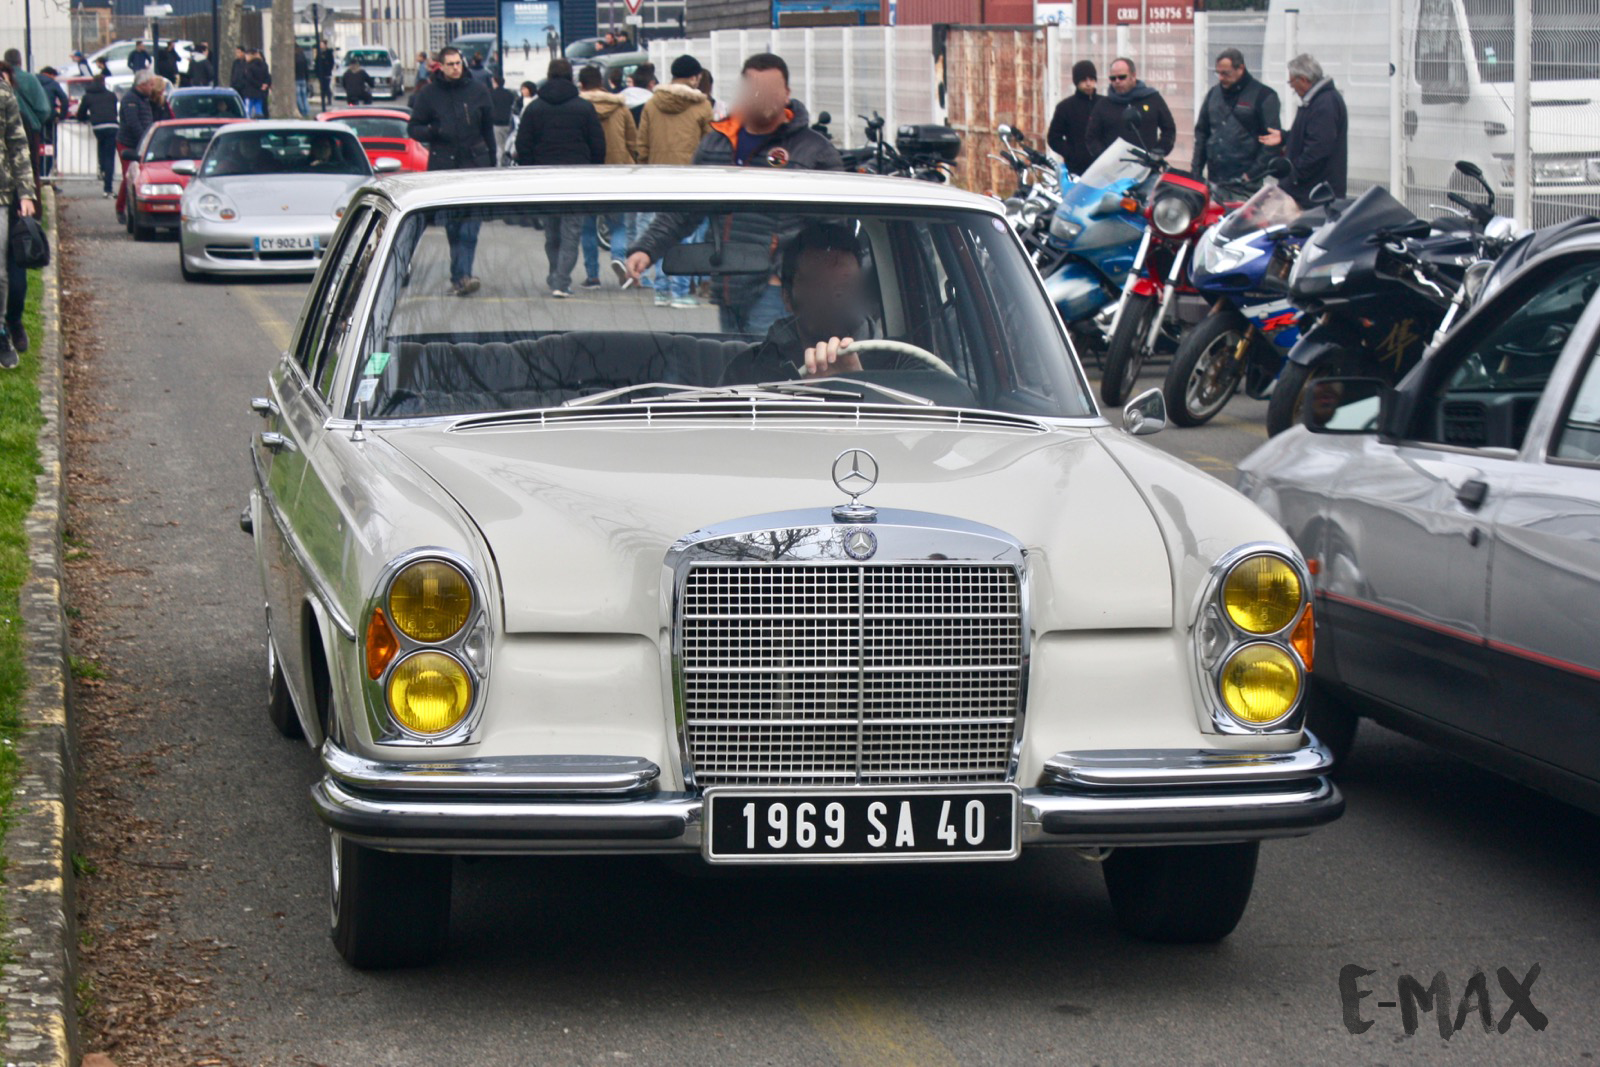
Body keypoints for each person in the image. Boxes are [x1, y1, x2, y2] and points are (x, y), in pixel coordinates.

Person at [625, 52, 843, 335]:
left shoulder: (813, 150)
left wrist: (792, 276)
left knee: (769, 372)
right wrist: (646, 249)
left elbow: (835, 229)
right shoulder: (716, 145)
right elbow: (685, 208)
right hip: (727, 285)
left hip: (777, 291)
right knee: (734, 367)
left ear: (787, 93)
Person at [719, 222, 912, 383]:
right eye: (818, 286)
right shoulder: (750, 371)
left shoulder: (898, 364)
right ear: (787, 298)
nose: (834, 299)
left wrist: (858, 384)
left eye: (845, 286)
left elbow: (919, 424)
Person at [407, 46, 496, 295]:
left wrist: (492, 166)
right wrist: (433, 131)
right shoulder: (429, 94)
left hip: (475, 165)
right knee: (454, 228)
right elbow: (413, 128)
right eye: (450, 64)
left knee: (470, 228)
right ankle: (459, 276)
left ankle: (464, 277)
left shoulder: (478, 91)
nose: (455, 68)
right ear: (441, 67)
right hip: (445, 167)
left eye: (458, 63)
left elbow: (488, 129)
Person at [513, 57, 604, 297]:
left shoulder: (534, 108)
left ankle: (555, 274)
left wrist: (530, 171)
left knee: (551, 231)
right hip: (577, 177)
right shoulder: (584, 107)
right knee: (571, 232)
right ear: (570, 78)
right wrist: (594, 169)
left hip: (544, 177)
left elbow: (523, 144)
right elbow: (597, 144)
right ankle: (562, 281)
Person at [636, 54, 713, 307]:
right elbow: (710, 145)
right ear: (694, 77)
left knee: (660, 231)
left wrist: (645, 168)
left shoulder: (652, 104)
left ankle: (660, 290)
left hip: (658, 176)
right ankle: (680, 292)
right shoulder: (702, 106)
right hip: (691, 177)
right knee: (685, 236)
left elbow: (642, 143)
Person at [575, 64, 637, 290]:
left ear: (581, 85)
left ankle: (592, 276)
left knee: (588, 226)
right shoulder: (620, 108)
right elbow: (633, 140)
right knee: (618, 224)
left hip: (587, 172)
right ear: (601, 83)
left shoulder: (578, 108)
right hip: (617, 172)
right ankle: (618, 258)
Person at [1191, 47, 1281, 198]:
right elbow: (1201, 134)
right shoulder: (1214, 94)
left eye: (1225, 73)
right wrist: (1195, 172)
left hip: (1246, 185)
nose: (1220, 77)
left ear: (1240, 69)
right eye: (1218, 73)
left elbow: (1271, 143)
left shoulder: (1264, 96)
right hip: (1215, 180)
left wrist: (1251, 174)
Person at [1264, 53, 1349, 205]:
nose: (1292, 89)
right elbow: (1311, 136)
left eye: (1292, 84)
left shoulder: (1324, 104)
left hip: (1315, 195)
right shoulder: (1317, 100)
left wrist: (1293, 177)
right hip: (1311, 191)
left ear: (1303, 80)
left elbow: (1318, 149)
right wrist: (1285, 137)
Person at [0, 59, 40, 368]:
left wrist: (26, 192)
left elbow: (18, 144)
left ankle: (1, 330)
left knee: (2, 273)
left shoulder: (4, 94)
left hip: (2, 194)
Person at [1084, 56, 1175, 159]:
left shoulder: (1152, 99)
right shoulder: (1103, 105)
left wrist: (1159, 151)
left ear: (1133, 76)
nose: (1117, 81)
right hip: (1115, 169)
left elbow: (1169, 130)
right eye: (1113, 78)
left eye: (1122, 77)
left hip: (1147, 167)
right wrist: (1105, 156)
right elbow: (1091, 138)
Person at [115, 71, 167, 222]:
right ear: (142, 85)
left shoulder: (143, 99)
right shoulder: (130, 100)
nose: (152, 88)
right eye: (150, 85)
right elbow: (133, 123)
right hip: (128, 143)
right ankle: (120, 208)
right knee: (129, 174)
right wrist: (145, 141)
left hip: (140, 142)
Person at [2, 51, 48, 180]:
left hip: (5, 129)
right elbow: (43, 109)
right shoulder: (30, 79)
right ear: (20, 61)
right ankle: (32, 197)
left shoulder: (2, 81)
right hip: (30, 129)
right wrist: (36, 122)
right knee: (32, 167)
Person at [1047, 60, 1098, 177]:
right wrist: (1072, 154)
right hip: (1076, 170)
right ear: (1076, 82)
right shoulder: (1065, 107)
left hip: (1102, 168)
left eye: (1092, 79)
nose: (1089, 83)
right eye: (1084, 80)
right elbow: (1054, 138)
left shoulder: (1104, 104)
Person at [77, 74, 120, 196]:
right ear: (103, 82)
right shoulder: (111, 95)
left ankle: (101, 169)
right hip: (112, 125)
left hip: (98, 126)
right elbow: (114, 111)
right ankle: (108, 188)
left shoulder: (87, 96)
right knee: (109, 157)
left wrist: (90, 118)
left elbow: (80, 115)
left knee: (101, 147)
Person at [34, 67, 68, 178]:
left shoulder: (32, 81)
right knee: (49, 147)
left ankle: (36, 175)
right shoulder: (53, 83)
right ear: (51, 74)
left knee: (35, 146)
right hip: (49, 120)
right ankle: (46, 175)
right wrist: (61, 116)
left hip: (34, 120)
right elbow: (64, 99)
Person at [488, 74, 516, 161]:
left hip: (496, 123)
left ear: (495, 82)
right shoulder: (509, 94)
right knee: (507, 144)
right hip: (508, 122)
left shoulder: (491, 94)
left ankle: (499, 165)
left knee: (499, 146)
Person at [248, 48, 271, 117]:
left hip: (251, 89)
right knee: (259, 105)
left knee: (250, 105)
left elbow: (249, 78)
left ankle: (248, 117)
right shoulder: (264, 65)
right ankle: (260, 116)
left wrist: (258, 85)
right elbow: (267, 76)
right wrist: (265, 85)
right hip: (261, 90)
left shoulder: (249, 66)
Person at [293, 44, 310, 116]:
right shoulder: (303, 57)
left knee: (298, 96)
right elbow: (306, 69)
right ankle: (306, 110)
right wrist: (307, 78)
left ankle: (302, 110)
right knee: (304, 96)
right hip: (303, 79)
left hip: (296, 79)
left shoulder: (294, 58)